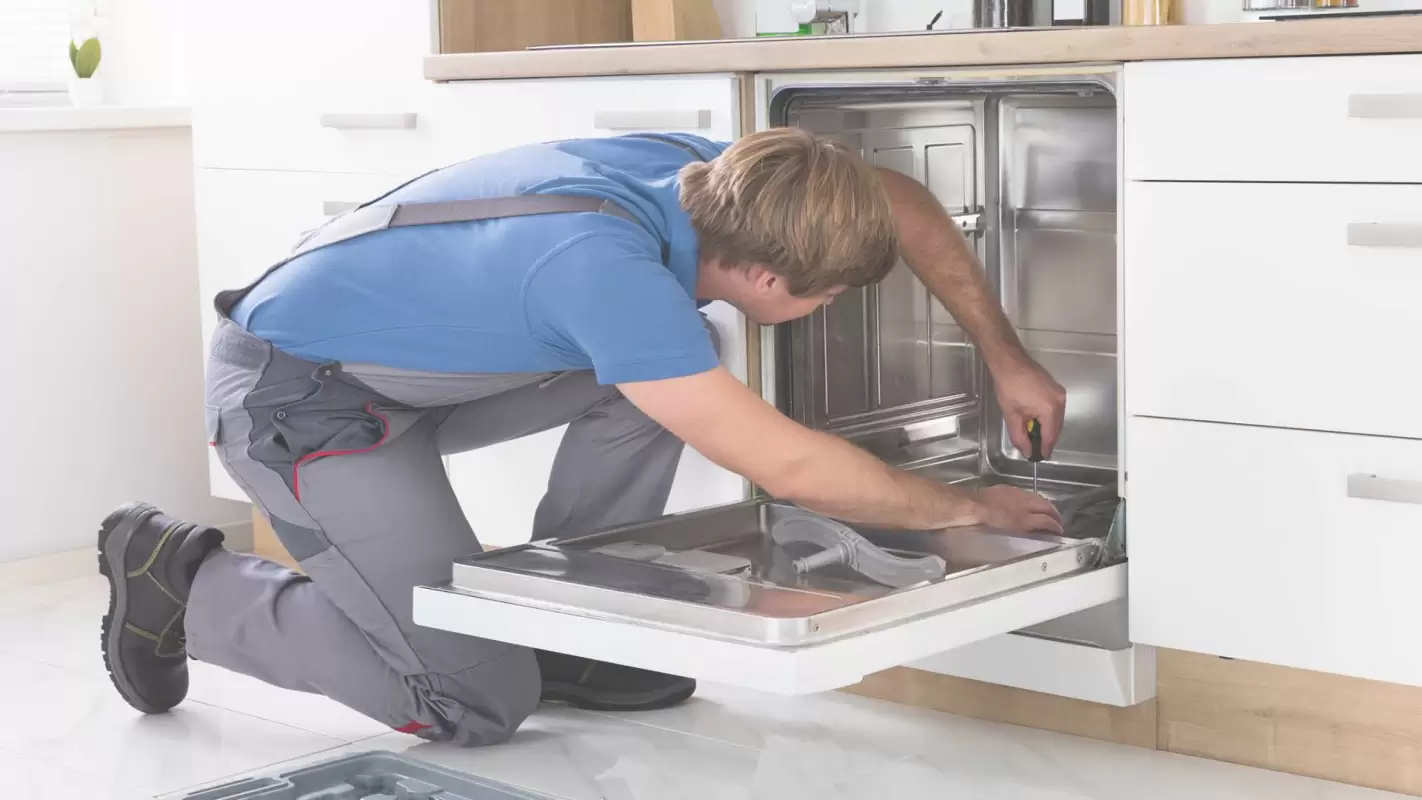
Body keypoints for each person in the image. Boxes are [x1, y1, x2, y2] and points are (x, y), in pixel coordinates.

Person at [97, 128, 1066, 747]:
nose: (834, 307)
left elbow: (894, 197)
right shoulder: (610, 277)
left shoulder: (719, 179)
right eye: (832, 294)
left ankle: (563, 631)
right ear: (772, 279)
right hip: (297, 403)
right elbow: (787, 463)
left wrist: (1004, 353)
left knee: (680, 357)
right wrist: (968, 509)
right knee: (468, 702)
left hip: (402, 369)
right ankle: (185, 588)